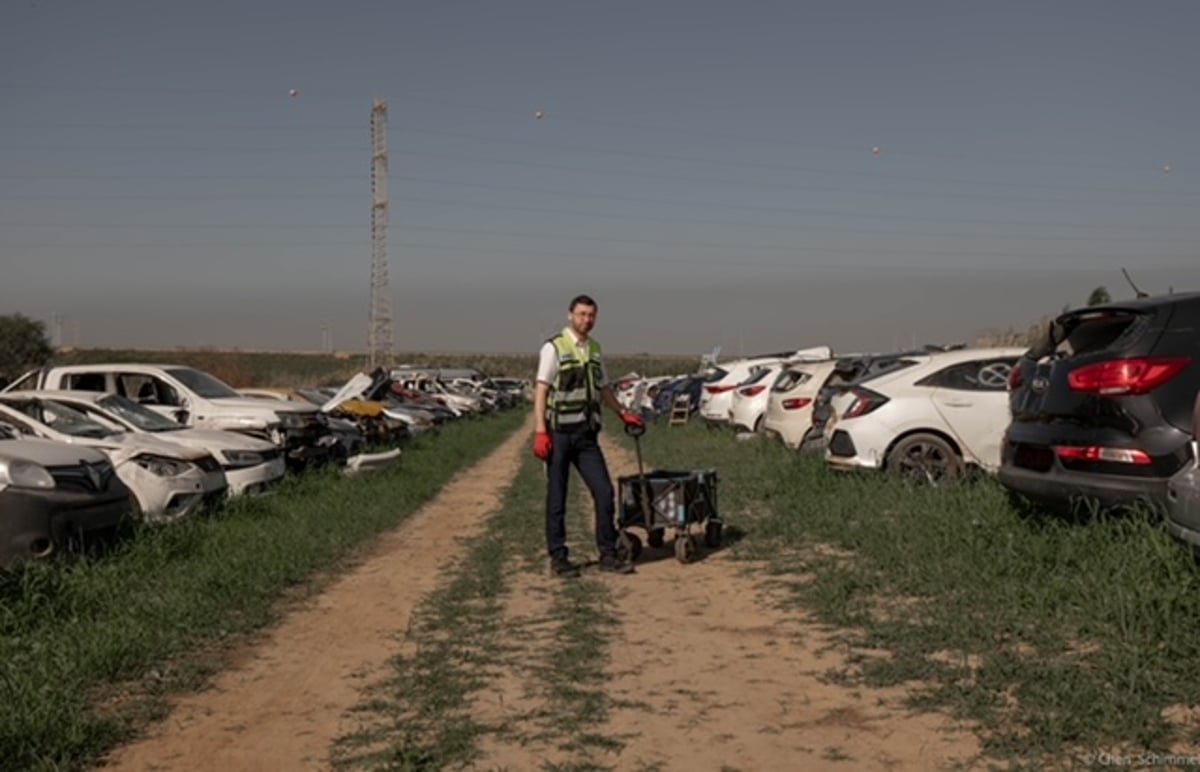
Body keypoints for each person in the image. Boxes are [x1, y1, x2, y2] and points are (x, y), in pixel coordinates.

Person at [534, 294, 644, 578]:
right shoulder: (554, 348)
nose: (587, 320)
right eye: (582, 314)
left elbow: (604, 387)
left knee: (604, 492)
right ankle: (559, 559)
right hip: (558, 436)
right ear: (570, 315)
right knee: (557, 499)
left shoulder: (595, 349)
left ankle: (608, 554)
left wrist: (622, 412)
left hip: (586, 437)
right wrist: (540, 432)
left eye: (591, 315)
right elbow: (542, 390)